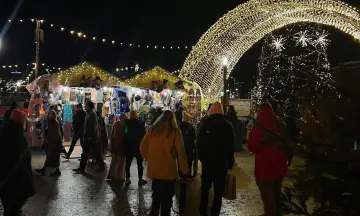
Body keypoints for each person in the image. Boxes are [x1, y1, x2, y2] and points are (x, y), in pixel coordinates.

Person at [140, 110, 188, 216]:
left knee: (156, 196)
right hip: (168, 171)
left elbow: (142, 147)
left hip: (155, 170)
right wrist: (184, 170)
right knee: (167, 200)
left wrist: (149, 157)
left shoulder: (152, 130)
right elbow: (181, 152)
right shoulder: (175, 131)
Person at [248, 102, 288, 216]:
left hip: (265, 167)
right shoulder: (281, 122)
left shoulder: (259, 126)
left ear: (260, 111)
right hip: (281, 165)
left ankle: (270, 213)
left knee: (267, 196)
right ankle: (277, 213)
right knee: (276, 193)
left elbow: (252, 146)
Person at [197, 102, 235, 216]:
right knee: (219, 192)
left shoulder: (205, 124)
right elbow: (231, 146)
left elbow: (199, 142)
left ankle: (203, 211)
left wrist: (201, 158)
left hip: (208, 163)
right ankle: (215, 212)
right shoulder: (227, 125)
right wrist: (229, 161)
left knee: (205, 189)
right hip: (221, 163)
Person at [0, 110, 34, 216]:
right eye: (24, 121)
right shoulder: (17, 136)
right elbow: (22, 158)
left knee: (8, 204)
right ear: (21, 122)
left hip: (4, 177)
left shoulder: (5, 130)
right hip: (14, 177)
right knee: (12, 205)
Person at [73, 100, 106, 173]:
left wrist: (90, 136)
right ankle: (82, 168)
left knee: (96, 152)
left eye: (86, 106)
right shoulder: (88, 114)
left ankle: (101, 165)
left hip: (91, 137)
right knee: (85, 153)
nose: (85, 107)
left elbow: (94, 127)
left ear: (90, 107)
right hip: (87, 136)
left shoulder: (93, 115)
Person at [35, 110, 62, 176]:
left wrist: (58, 143)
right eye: (50, 114)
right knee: (51, 157)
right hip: (49, 142)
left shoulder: (55, 123)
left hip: (54, 142)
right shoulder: (48, 122)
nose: (50, 116)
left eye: (52, 114)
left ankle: (45, 170)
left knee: (52, 157)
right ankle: (56, 170)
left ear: (54, 115)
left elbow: (56, 133)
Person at [124, 111, 147, 185]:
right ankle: (140, 179)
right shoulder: (140, 124)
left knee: (128, 163)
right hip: (138, 146)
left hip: (129, 146)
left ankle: (127, 179)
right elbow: (143, 135)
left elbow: (125, 133)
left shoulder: (126, 124)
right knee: (139, 164)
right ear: (136, 116)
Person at [107, 114, 128, 181]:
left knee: (115, 160)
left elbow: (113, 135)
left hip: (116, 145)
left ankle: (112, 174)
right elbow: (126, 135)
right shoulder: (126, 125)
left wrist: (112, 144)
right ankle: (120, 176)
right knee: (122, 162)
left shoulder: (115, 124)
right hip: (122, 145)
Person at [179, 112, 196, 177]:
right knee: (189, 161)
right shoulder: (191, 127)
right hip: (189, 146)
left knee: (181, 160)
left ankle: (181, 173)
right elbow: (194, 137)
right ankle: (188, 174)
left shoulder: (179, 126)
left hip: (181, 146)